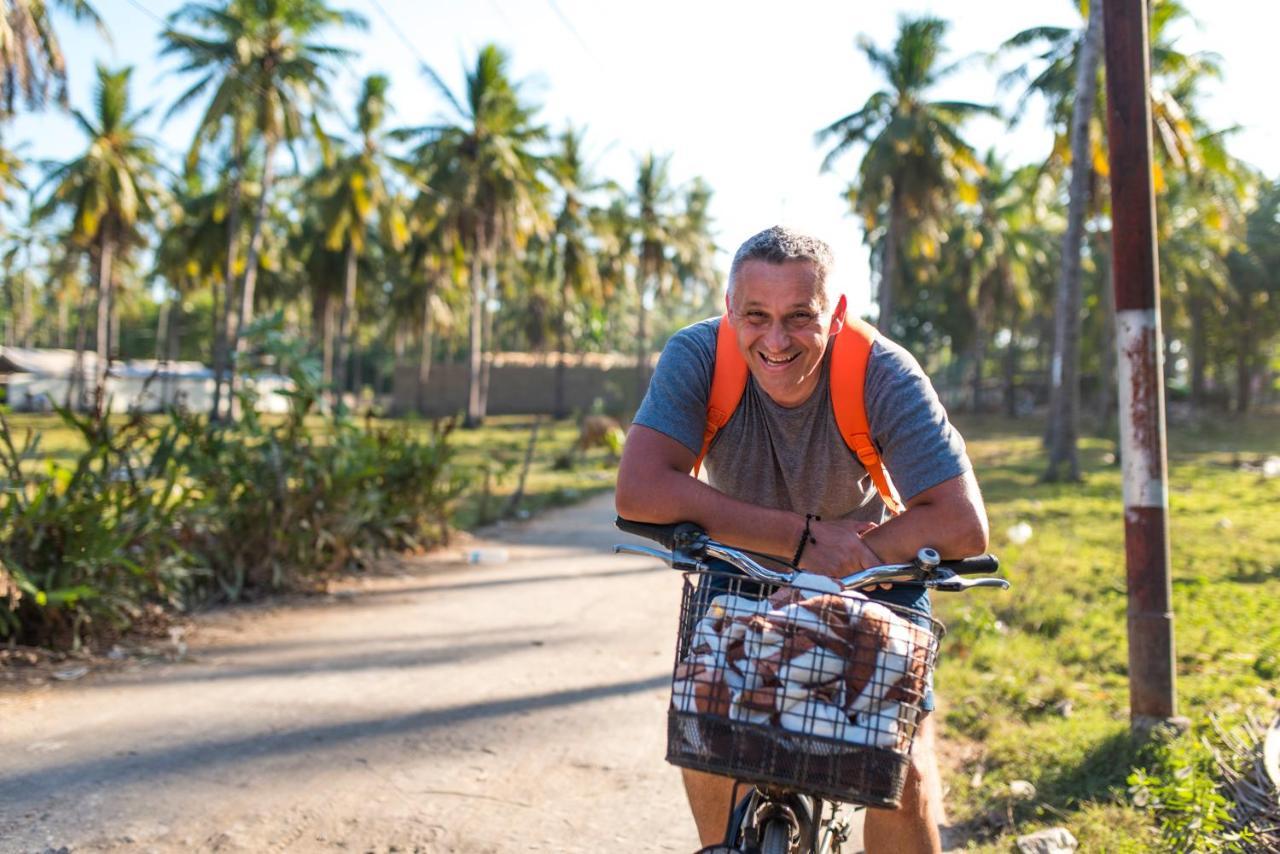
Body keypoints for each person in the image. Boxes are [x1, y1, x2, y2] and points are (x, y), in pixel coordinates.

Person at [614, 225, 989, 854]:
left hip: (872, 574)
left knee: (902, 765)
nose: (776, 339)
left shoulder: (883, 371)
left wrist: (837, 562)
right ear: (730, 309)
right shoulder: (699, 356)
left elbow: (961, 522)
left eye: (800, 317)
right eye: (755, 316)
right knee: (707, 718)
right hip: (741, 567)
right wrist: (804, 539)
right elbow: (640, 487)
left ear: (836, 314)